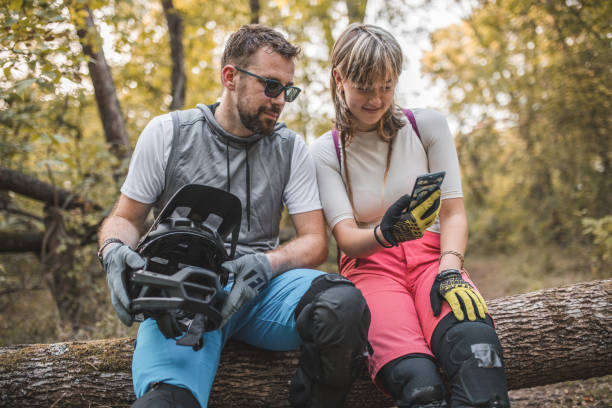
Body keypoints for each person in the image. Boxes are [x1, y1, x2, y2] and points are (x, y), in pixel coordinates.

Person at [97, 24, 370, 408]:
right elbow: (125, 217)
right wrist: (112, 248)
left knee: (342, 306)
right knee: (164, 403)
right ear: (230, 77)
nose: (280, 101)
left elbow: (314, 242)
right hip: (184, 292)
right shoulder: (167, 133)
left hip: (262, 293)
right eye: (271, 86)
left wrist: (266, 263)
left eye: (287, 91)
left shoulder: (291, 149)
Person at [310, 23, 510, 408]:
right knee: (421, 389)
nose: (377, 98)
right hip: (371, 268)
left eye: (386, 85)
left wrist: (450, 269)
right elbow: (346, 237)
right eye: (365, 86)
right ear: (339, 78)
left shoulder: (427, 126)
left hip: (433, 261)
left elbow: (453, 213)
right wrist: (384, 234)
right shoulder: (324, 152)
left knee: (480, 361)